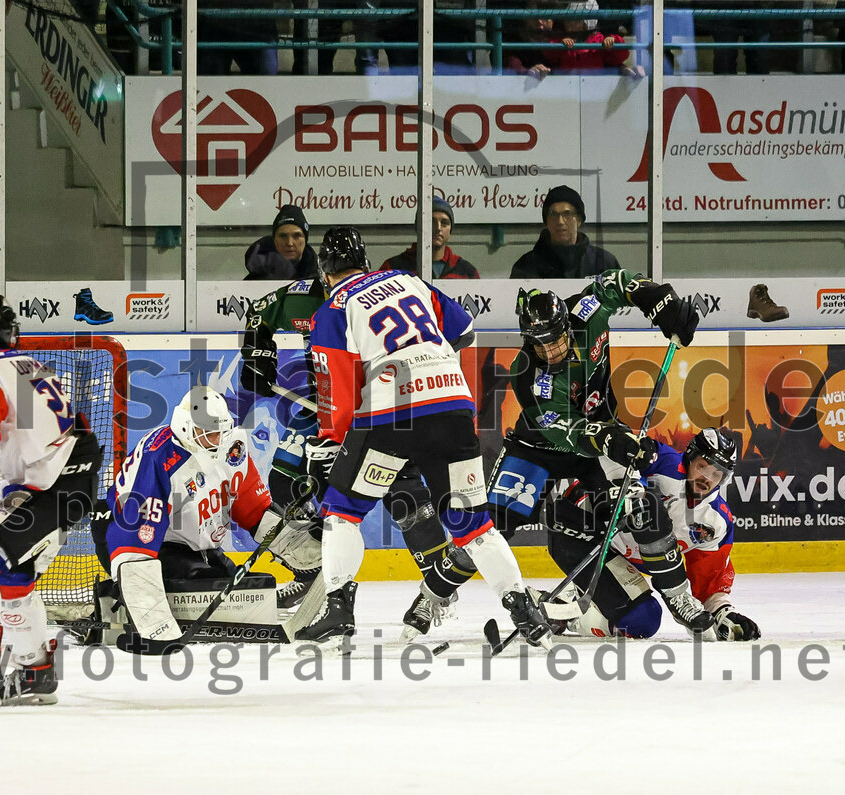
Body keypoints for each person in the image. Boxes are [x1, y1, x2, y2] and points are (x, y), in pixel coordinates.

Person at [298, 226, 553, 648]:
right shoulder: (408, 280)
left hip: (390, 415)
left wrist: (333, 440)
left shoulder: (333, 308)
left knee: (342, 510)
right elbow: (465, 330)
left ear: (326, 272)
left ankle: (339, 610)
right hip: (453, 406)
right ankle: (525, 612)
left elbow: (338, 396)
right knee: (474, 525)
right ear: (365, 261)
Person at [474, 275, 714, 634]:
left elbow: (619, 282)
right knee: (491, 524)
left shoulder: (588, 313)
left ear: (567, 325)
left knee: (642, 507)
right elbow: (565, 429)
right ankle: (434, 597)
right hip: (541, 446)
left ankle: (679, 596)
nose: (550, 351)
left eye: (555, 340)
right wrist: (609, 438)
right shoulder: (528, 375)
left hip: (599, 438)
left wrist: (661, 302)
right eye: (540, 345)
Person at [241, 273, 476, 636]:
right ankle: (314, 568)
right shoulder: (308, 296)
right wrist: (256, 352)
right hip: (330, 407)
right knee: (285, 480)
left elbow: (456, 330)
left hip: (382, 410)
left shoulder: (375, 295)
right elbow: (259, 310)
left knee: (400, 490)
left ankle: (436, 577)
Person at [0, 296, 103, 714]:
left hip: (55, 483)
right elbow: (24, 448)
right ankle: (35, 673)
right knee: (10, 569)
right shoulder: (26, 365)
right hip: (66, 476)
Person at [97, 385, 323, 654]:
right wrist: (154, 628)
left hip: (193, 545)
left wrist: (306, 552)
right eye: (207, 433)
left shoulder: (230, 447)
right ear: (185, 428)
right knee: (202, 582)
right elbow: (135, 546)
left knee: (229, 584)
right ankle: (119, 596)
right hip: (135, 540)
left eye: (220, 430)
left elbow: (253, 509)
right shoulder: (158, 459)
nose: (216, 438)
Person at [545, 428, 761, 642]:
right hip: (581, 529)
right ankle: (669, 592)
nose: (707, 478)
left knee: (642, 620)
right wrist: (636, 450)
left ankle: (569, 613)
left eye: (716, 473)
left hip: (621, 557)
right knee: (646, 507)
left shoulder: (717, 521)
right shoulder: (665, 465)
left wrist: (723, 613)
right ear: (689, 459)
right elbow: (620, 452)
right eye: (702, 466)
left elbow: (708, 582)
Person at [510, 185, 621, 279]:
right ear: (546, 221)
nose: (560, 221)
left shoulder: (603, 263)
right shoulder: (526, 266)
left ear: (579, 220)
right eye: (553, 214)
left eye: (567, 214)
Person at [381, 196, 480, 280]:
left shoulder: (467, 272)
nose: (438, 228)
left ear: (450, 230)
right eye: (431, 222)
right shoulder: (392, 268)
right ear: (418, 227)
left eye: (444, 223)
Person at [244, 205, 317, 281]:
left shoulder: (321, 279)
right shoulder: (253, 281)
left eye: (297, 236)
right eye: (283, 236)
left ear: (305, 240)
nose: (289, 243)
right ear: (274, 240)